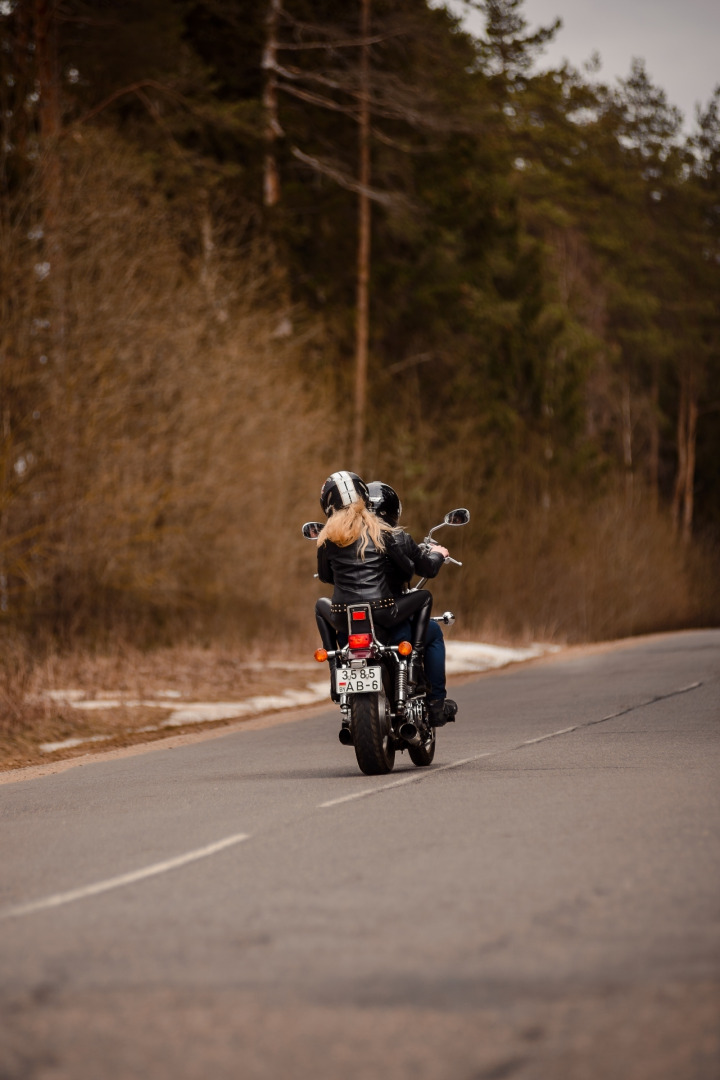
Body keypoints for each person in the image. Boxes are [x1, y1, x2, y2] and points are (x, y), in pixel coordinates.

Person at [313, 471, 440, 704]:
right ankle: (415, 661)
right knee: (425, 597)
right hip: (382, 611)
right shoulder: (379, 531)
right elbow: (406, 571)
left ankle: (334, 668)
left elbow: (324, 576)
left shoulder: (326, 538)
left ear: (327, 505)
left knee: (320, 605)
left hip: (343, 616)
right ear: (363, 495)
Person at [367, 480, 458, 727]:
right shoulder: (397, 538)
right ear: (394, 511)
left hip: (356, 627)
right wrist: (438, 553)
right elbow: (425, 568)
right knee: (435, 632)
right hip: (392, 623)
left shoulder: (344, 542)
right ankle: (436, 703)